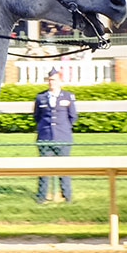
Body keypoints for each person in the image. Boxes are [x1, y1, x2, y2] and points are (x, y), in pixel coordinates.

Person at [33, 68, 77, 203]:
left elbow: (72, 116)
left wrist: (62, 129)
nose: (52, 82)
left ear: (60, 81)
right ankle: (41, 196)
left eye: (55, 80)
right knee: (44, 169)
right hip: (45, 137)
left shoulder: (68, 96)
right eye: (50, 80)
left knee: (64, 168)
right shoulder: (40, 97)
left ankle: (66, 195)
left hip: (62, 137)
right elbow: (37, 117)